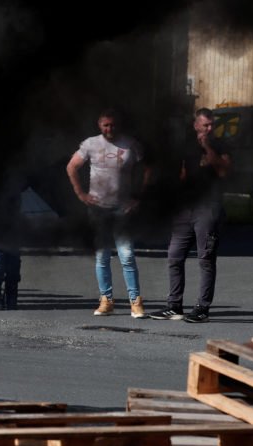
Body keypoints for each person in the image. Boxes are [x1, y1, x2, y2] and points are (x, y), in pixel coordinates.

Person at [66, 109, 149, 318]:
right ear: (99, 125)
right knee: (102, 256)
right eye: (105, 125)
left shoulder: (130, 144)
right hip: (99, 208)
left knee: (127, 255)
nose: (109, 129)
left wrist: (139, 196)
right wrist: (81, 194)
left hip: (122, 208)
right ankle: (106, 300)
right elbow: (72, 167)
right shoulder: (90, 144)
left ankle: (135, 301)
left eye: (112, 125)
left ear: (117, 125)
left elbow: (148, 168)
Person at [151, 107, 231, 323]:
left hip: (208, 208)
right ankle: (174, 306)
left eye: (212, 125)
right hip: (185, 208)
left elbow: (223, 171)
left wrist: (207, 147)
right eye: (205, 125)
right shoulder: (186, 146)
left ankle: (202, 308)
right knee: (174, 256)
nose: (210, 128)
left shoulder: (219, 144)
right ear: (195, 125)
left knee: (205, 258)